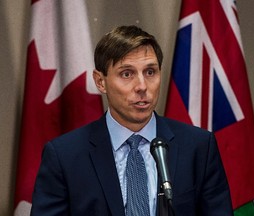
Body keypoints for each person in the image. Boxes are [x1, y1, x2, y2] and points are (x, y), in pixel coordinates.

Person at [31, 25, 233, 215]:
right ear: (100, 81)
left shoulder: (198, 147)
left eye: (150, 72)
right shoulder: (64, 156)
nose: (142, 86)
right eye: (127, 74)